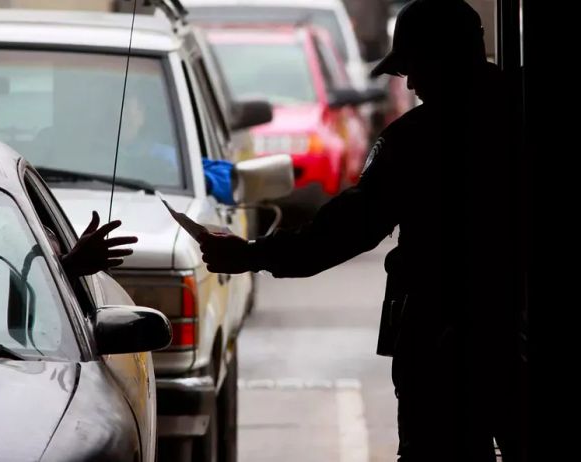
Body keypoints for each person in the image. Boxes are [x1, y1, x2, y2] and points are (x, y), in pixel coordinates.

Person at [198, 1, 526, 460]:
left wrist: (250, 255)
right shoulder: (517, 111)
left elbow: (347, 229)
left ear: (445, 58)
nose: (410, 84)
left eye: (415, 68)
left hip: (443, 344)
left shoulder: (416, 140)